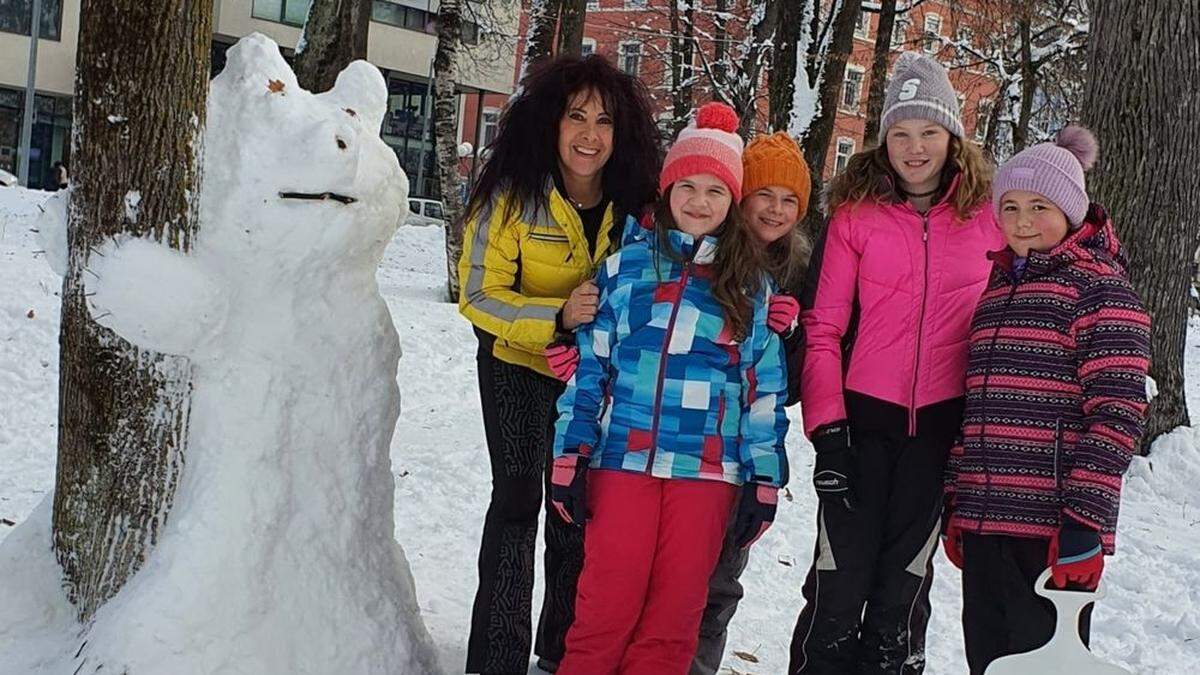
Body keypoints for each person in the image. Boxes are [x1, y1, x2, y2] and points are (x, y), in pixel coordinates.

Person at [550, 103, 790, 674]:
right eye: (687, 185)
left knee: (673, 620)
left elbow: (764, 391)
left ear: (733, 202)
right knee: (603, 610)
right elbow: (591, 372)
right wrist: (569, 456)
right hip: (621, 463)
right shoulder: (625, 271)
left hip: (707, 474)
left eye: (715, 190)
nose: (699, 202)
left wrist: (763, 478)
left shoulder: (751, 287)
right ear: (667, 189)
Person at [789, 52, 1003, 674]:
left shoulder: (988, 218)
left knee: (901, 601)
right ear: (884, 141)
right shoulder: (855, 215)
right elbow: (823, 329)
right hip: (861, 427)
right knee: (837, 591)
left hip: (940, 431)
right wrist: (828, 432)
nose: (914, 148)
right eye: (901, 134)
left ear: (952, 137)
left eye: (929, 132)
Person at [456, 54, 660, 675]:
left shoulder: (637, 207)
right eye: (576, 117)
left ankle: (565, 653)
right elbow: (477, 293)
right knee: (517, 508)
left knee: (574, 517)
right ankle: (496, 660)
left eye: (603, 121)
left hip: (594, 381)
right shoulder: (512, 192)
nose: (589, 135)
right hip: (517, 367)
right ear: (552, 121)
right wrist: (555, 316)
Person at [941, 127, 1151, 674]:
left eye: (1039, 205)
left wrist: (1084, 520)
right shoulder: (996, 291)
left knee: (1042, 663)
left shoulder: (1101, 291)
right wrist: (957, 500)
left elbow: (1117, 415)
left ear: (1072, 211)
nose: (1021, 220)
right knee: (988, 661)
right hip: (987, 522)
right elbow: (976, 409)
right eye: (1009, 206)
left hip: (1052, 530)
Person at [691, 131, 813, 675]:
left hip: (747, 450)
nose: (776, 210)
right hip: (690, 433)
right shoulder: (707, 251)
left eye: (790, 200)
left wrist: (789, 337)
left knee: (718, 581)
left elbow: (791, 385)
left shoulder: (800, 269)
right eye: (765, 194)